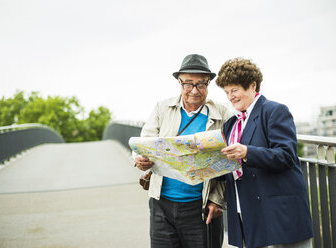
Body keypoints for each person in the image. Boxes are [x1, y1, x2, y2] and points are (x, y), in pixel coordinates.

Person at [134, 54, 232, 248]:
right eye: (188, 84)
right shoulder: (162, 108)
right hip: (161, 205)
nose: (194, 91)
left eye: (201, 84)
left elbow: (230, 164)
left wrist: (218, 200)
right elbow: (143, 143)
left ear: (208, 84)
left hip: (202, 208)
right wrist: (139, 159)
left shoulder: (223, 114)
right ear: (179, 83)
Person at [216, 58, 313, 248]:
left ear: (252, 86)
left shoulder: (274, 111)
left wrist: (247, 152)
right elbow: (231, 169)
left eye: (234, 90)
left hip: (278, 213)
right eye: (226, 92)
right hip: (246, 212)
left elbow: (286, 156)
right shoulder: (231, 124)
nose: (230, 97)